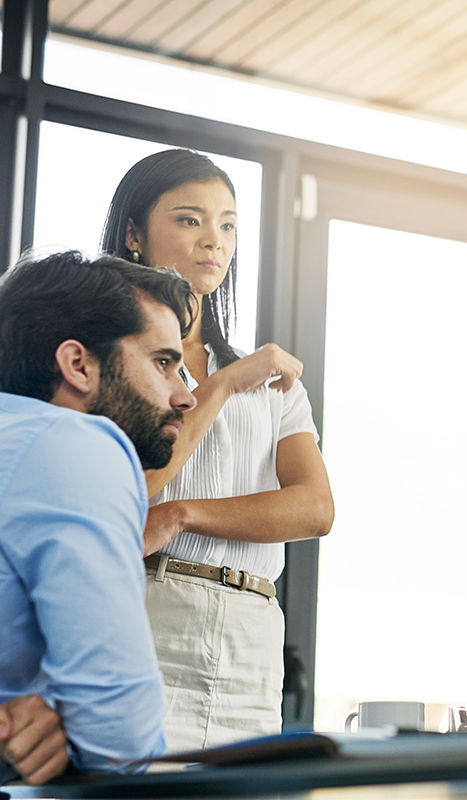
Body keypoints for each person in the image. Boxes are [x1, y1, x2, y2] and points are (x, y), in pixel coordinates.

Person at [100, 149, 335, 750]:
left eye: (227, 224)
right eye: (189, 219)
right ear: (133, 234)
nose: (214, 240)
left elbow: (314, 509)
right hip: (150, 612)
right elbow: (140, 484)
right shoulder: (114, 362)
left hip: (254, 632)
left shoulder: (276, 381)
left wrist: (184, 514)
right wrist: (224, 383)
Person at [0, 251, 197, 782]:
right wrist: (72, 721)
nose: (184, 396)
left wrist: (43, 706)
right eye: (163, 363)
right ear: (79, 365)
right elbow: (121, 739)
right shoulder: (75, 443)